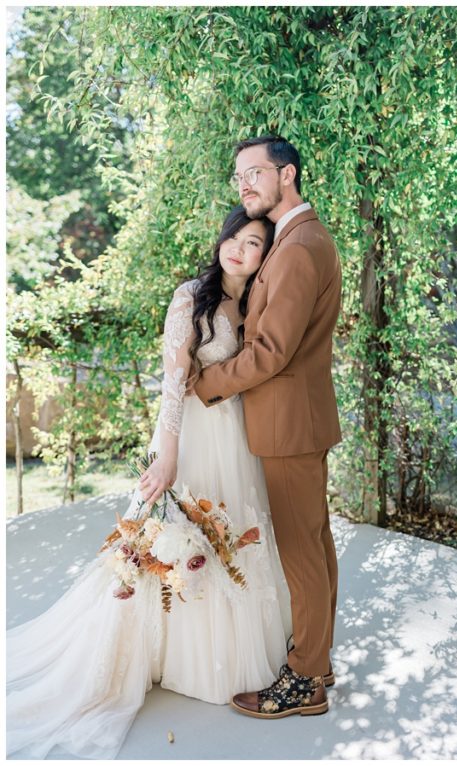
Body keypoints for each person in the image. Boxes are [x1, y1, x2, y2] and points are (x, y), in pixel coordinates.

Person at [6, 206, 292, 759]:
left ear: (264, 257)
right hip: (189, 437)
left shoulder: (256, 302)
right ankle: (161, 656)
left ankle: (229, 656)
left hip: (237, 439)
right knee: (170, 539)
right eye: (235, 237)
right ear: (222, 240)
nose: (238, 248)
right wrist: (165, 457)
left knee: (231, 536)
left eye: (254, 243)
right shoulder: (191, 296)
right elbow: (171, 385)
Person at [192, 135, 343, 719]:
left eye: (254, 174)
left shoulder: (301, 246)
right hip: (296, 418)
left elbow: (272, 351)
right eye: (238, 179)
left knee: (301, 549)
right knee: (315, 543)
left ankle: (306, 680)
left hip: (287, 421)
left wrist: (205, 385)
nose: (245, 186)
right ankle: (318, 658)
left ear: (289, 173)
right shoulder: (294, 240)